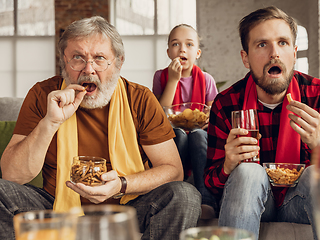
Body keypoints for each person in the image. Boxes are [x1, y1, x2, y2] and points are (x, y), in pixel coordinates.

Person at [0, 16, 201, 240]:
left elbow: (173, 170)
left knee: (184, 195)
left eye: (100, 58)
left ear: (118, 62)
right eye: (77, 58)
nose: (89, 69)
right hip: (55, 205)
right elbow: (12, 175)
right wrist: (50, 122)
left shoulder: (140, 98)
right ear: (64, 61)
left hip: (126, 205)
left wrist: (122, 185)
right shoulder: (43, 94)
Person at [204, 6, 320, 240]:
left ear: (294, 53)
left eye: (283, 43)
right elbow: (211, 185)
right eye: (262, 44)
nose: (274, 53)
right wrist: (227, 165)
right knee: (248, 172)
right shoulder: (226, 104)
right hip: (252, 199)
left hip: (301, 202)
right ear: (245, 58)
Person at [152, 24, 218, 219]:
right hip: (173, 134)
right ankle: (173, 192)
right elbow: (160, 114)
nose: (182, 49)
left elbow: (212, 113)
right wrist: (173, 80)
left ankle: (206, 198)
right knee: (179, 134)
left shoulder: (206, 79)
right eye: (176, 44)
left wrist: (208, 121)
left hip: (199, 134)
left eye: (189, 44)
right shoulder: (161, 77)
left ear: (197, 52)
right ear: (168, 52)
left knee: (198, 135)